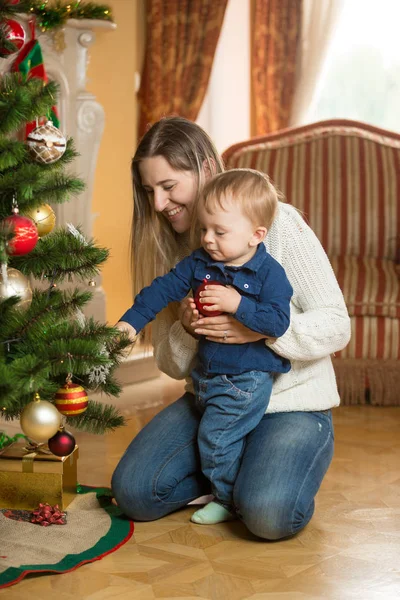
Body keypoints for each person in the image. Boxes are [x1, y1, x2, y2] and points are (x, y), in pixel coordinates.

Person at [111, 116, 351, 540]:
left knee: (267, 516)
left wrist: (262, 329)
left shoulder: (279, 224)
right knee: (134, 493)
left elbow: (336, 325)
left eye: (168, 186)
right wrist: (187, 326)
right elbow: (172, 365)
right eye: (150, 192)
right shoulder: (182, 251)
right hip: (214, 400)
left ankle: (252, 476)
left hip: (291, 406)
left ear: (205, 168)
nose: (159, 204)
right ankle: (227, 466)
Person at [116, 169, 293, 524]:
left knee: (216, 438)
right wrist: (130, 322)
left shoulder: (269, 274)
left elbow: (278, 323)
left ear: (256, 236)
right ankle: (224, 480)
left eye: (220, 232)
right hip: (206, 377)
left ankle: (227, 500)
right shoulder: (200, 262)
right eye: (203, 229)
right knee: (213, 440)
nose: (208, 239)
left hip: (244, 381)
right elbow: (163, 288)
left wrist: (236, 304)